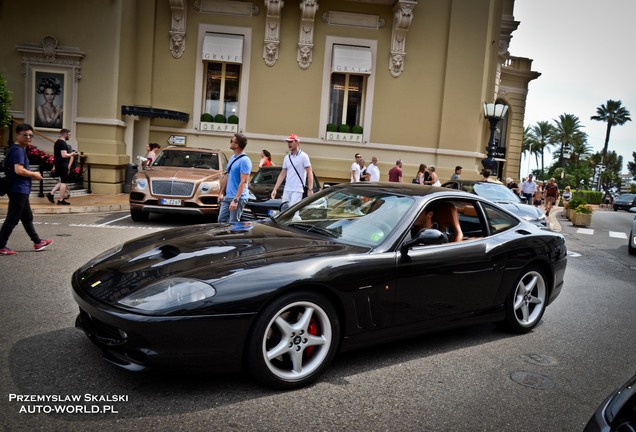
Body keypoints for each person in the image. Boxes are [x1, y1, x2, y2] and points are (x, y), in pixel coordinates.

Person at [0, 124, 54, 255]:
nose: (29, 137)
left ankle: (37, 242)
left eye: (31, 135)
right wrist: (33, 174)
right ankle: (0, 246)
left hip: (20, 189)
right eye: (25, 135)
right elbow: (18, 170)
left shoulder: (16, 149)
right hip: (18, 189)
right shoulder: (18, 150)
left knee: (27, 217)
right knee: (12, 218)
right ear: (18, 135)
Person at [271, 134, 314, 206]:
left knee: (293, 212)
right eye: (288, 142)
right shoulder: (287, 158)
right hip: (287, 189)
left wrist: (310, 189)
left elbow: (309, 172)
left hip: (297, 189)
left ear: (297, 143)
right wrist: (275, 189)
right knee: (284, 211)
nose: (289, 144)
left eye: (291, 142)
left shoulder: (304, 156)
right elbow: (282, 174)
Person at [218, 133, 252, 222]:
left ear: (236, 145)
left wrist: (236, 200)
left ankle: (234, 235)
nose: (230, 143)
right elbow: (227, 175)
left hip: (238, 198)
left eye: (231, 141)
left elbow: (244, 181)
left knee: (233, 223)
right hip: (228, 196)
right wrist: (221, 192)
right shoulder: (232, 157)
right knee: (221, 220)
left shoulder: (245, 161)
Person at [47, 128, 77, 205]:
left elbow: (56, 156)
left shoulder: (57, 142)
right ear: (65, 134)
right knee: (64, 182)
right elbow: (63, 155)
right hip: (63, 165)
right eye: (69, 135)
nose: (69, 136)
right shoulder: (63, 143)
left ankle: (51, 193)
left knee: (62, 181)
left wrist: (54, 166)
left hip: (58, 164)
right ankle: (60, 200)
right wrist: (72, 154)